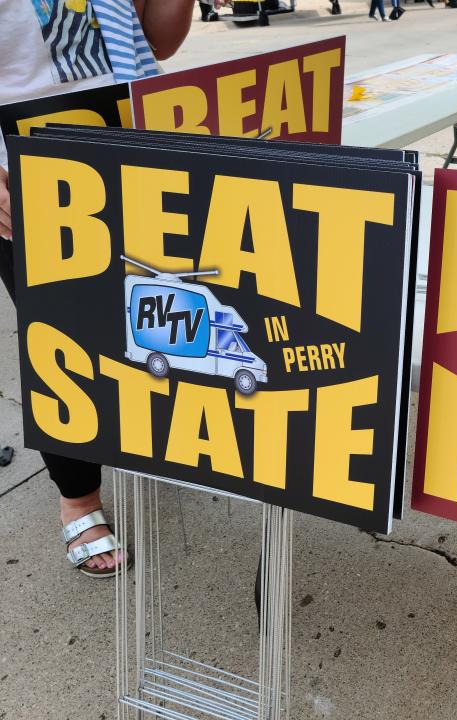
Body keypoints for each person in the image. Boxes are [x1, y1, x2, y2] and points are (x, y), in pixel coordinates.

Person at [0, 0, 199, 577]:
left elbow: (158, 42)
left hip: (135, 142)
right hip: (25, 171)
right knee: (63, 338)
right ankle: (78, 498)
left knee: (155, 305)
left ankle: (154, 437)